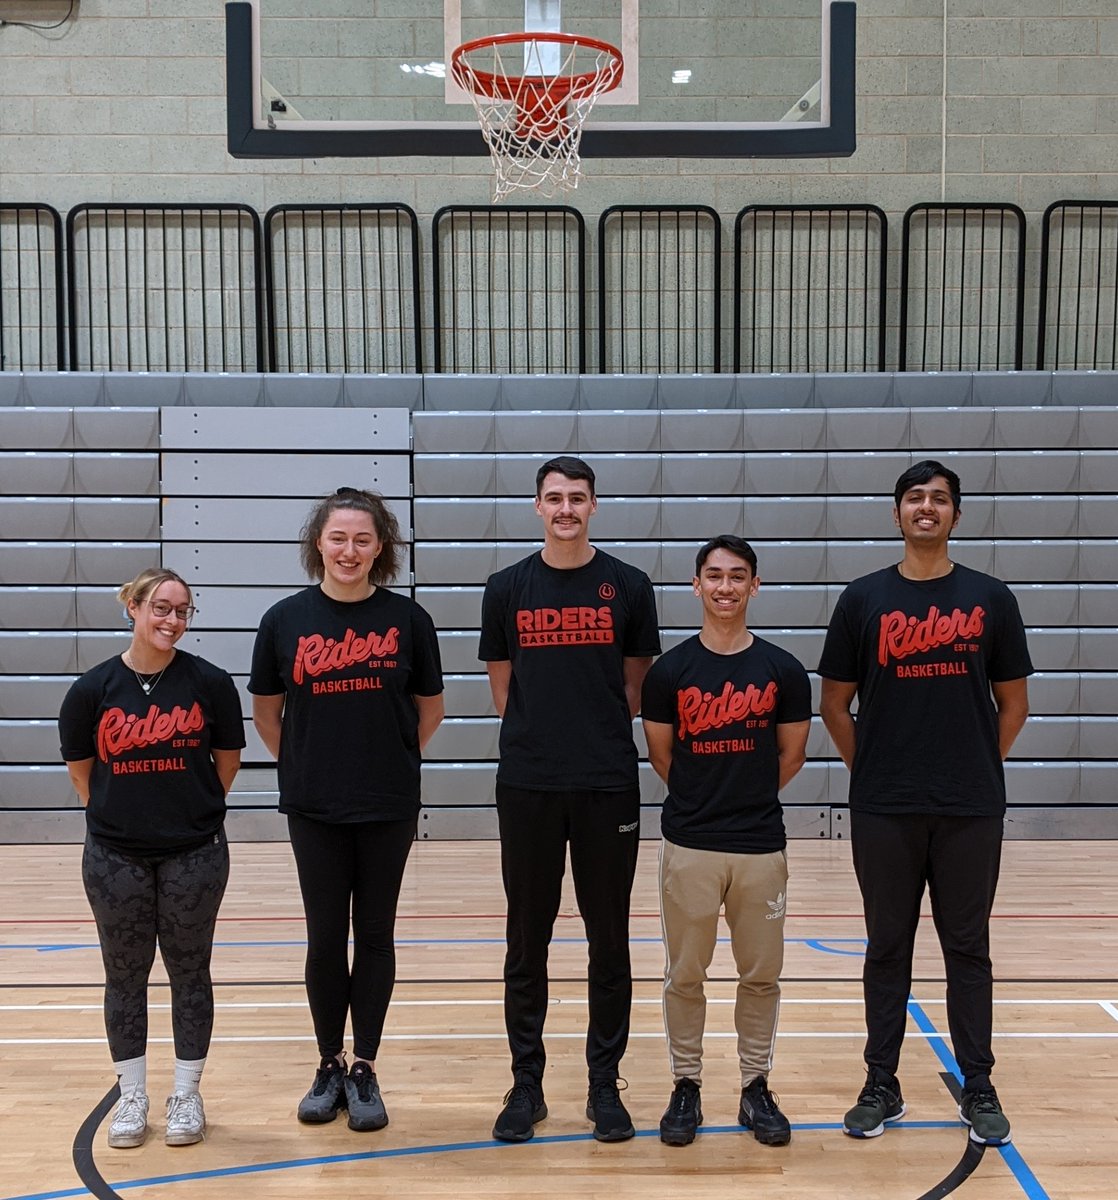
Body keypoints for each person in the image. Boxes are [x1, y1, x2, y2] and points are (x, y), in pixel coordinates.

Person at [818, 460, 1032, 1146]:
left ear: (955, 516)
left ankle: (979, 1083)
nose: (926, 507)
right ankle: (881, 1082)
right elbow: (833, 703)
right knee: (887, 947)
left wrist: (975, 765)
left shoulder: (991, 598)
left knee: (967, 948)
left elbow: (1014, 703)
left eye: (939, 498)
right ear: (897, 514)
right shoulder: (863, 599)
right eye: (915, 497)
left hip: (970, 806)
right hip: (885, 805)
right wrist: (873, 768)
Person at [479, 455, 661, 1143]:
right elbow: (504, 690)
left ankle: (602, 1083)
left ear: (593, 506)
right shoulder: (506, 588)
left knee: (608, 939)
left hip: (606, 781)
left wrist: (587, 733)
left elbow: (634, 687)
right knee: (527, 940)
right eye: (554, 498)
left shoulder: (629, 586)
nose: (565, 509)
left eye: (576, 498)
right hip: (528, 783)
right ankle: (526, 1084)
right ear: (537, 506)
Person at [249, 487, 444, 1133]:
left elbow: (430, 710)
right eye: (339, 538)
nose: (350, 550)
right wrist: (306, 764)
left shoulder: (409, 620)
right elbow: (268, 713)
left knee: (377, 935)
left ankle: (364, 1067)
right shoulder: (284, 619)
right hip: (315, 805)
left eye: (363, 539)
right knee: (326, 937)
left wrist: (388, 759)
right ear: (319, 544)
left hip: (388, 803)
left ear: (380, 547)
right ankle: (328, 1063)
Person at [58, 567, 245, 1149]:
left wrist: (186, 813)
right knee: (124, 976)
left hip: (195, 852)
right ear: (133, 608)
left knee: (190, 972)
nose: (172, 619)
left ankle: (187, 1093)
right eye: (161, 607)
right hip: (115, 856)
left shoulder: (210, 683)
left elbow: (226, 763)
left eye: (182, 610)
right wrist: (123, 817)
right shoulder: (91, 690)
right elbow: (82, 773)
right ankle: (132, 1095)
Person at [641, 535, 811, 1148]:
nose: (725, 587)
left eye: (738, 576)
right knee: (685, 974)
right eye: (714, 576)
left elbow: (792, 755)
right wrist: (705, 800)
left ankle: (754, 1085)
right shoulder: (669, 671)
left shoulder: (783, 670)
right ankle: (686, 1085)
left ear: (754, 586)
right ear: (696, 585)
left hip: (760, 844)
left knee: (761, 975)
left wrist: (745, 798)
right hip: (690, 843)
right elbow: (662, 756)